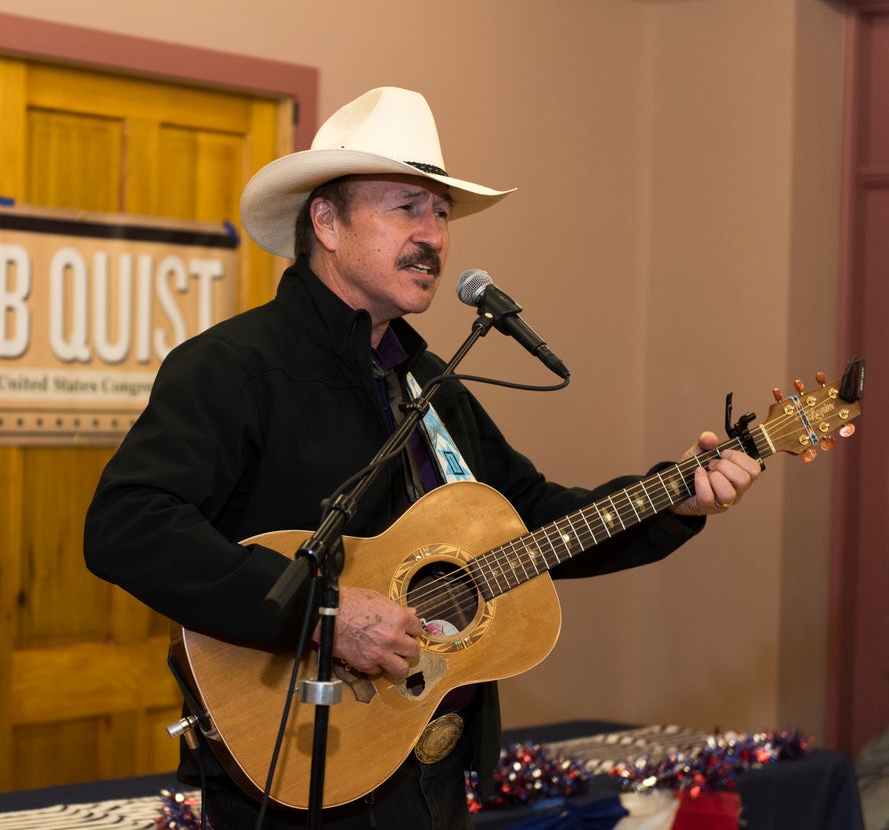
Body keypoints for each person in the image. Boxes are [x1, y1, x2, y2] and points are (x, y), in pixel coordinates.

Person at [82, 87, 760, 829]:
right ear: (326, 223)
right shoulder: (235, 366)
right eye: (407, 207)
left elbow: (533, 523)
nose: (433, 235)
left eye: (441, 214)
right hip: (295, 769)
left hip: (430, 771)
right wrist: (324, 615)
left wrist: (676, 499)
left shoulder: (429, 385)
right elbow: (128, 524)